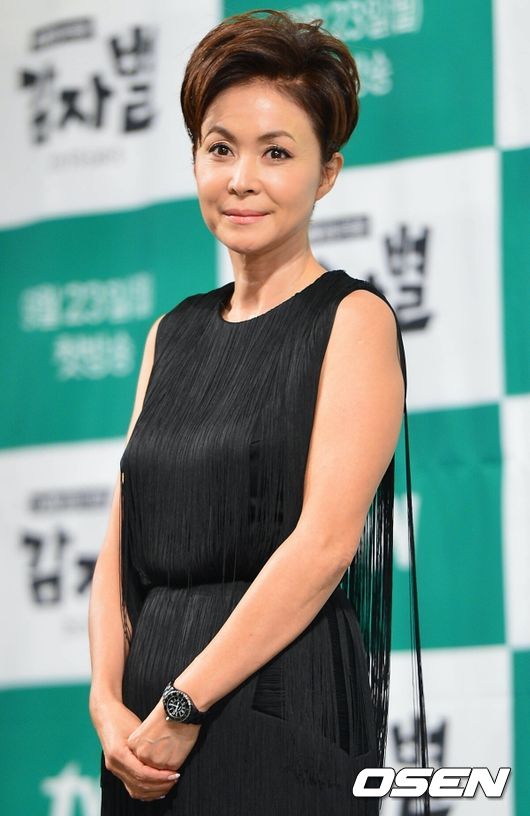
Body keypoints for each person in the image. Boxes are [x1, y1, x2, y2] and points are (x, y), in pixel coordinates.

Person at [88, 9, 429, 815]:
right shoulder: (171, 332)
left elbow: (323, 546)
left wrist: (184, 705)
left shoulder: (352, 320)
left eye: (276, 152)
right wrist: (106, 701)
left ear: (327, 172)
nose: (241, 177)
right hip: (141, 728)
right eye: (220, 148)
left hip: (279, 702)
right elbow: (118, 546)